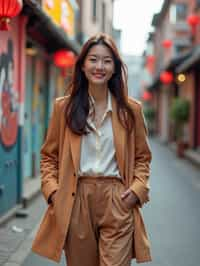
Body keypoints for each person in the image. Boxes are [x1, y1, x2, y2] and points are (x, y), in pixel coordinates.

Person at [32, 33, 152, 266]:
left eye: (107, 61)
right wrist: (54, 192)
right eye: (93, 60)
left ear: (115, 68)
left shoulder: (131, 110)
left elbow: (142, 157)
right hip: (76, 197)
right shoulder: (64, 108)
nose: (100, 66)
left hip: (117, 197)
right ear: (83, 66)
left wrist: (137, 190)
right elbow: (49, 156)